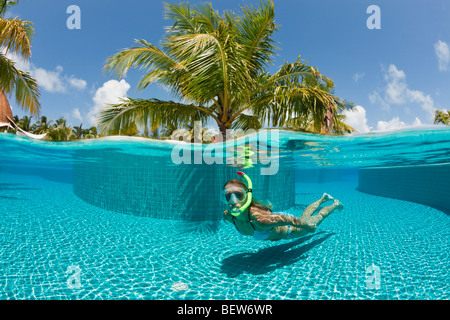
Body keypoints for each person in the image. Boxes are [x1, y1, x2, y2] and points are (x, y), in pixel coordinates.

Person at [222, 172, 343, 241]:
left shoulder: (259, 220)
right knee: (305, 215)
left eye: (238, 195)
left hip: (291, 230)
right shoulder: (228, 215)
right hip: (277, 220)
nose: (233, 201)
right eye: (228, 196)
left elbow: (291, 220)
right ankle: (323, 198)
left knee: (318, 217)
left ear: (247, 196)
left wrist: (308, 227)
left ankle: (335, 204)